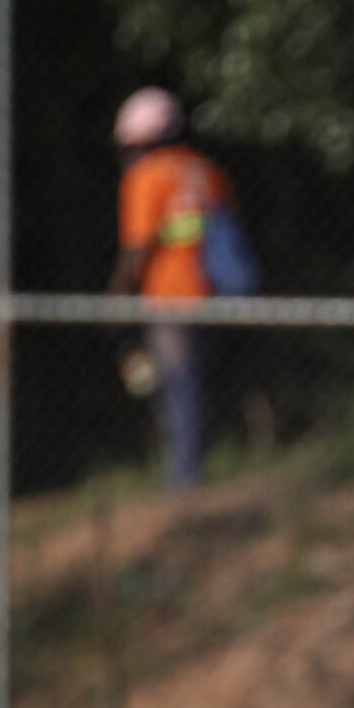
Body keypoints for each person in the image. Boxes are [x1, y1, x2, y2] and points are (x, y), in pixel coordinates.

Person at [110, 87, 239, 488]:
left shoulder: (145, 176)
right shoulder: (202, 169)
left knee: (175, 385)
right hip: (212, 294)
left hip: (169, 298)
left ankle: (183, 479)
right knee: (192, 383)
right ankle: (190, 468)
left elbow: (137, 246)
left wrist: (115, 295)